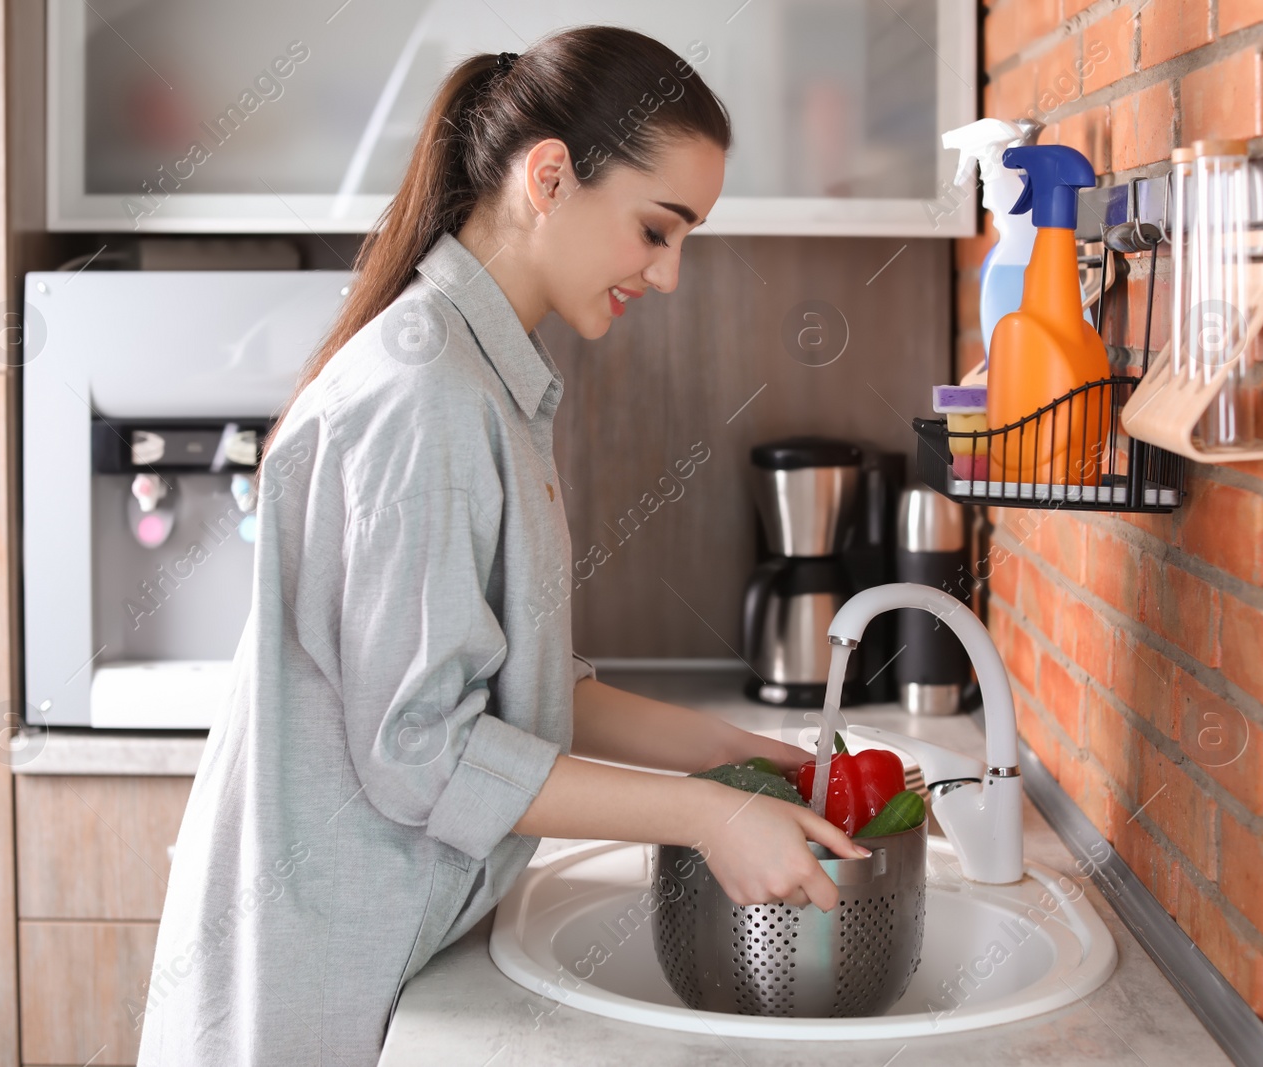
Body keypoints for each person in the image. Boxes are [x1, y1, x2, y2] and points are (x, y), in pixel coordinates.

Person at [136, 25, 867, 1067]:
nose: (666, 276)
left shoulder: (477, 375)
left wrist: (730, 757)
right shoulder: (426, 393)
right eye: (657, 230)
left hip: (388, 942)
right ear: (551, 176)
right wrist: (703, 817)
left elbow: (512, 694)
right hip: (324, 971)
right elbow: (424, 752)